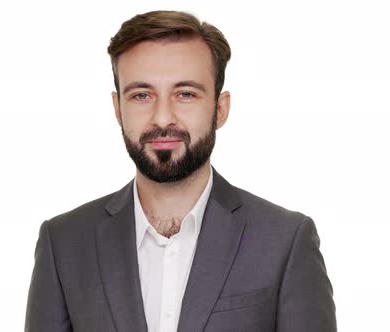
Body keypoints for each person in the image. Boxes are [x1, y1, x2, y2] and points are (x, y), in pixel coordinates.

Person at [25, 10, 336, 332]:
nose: (162, 118)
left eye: (185, 94)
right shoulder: (63, 242)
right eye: (142, 95)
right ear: (118, 109)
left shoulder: (285, 240)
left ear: (220, 108)